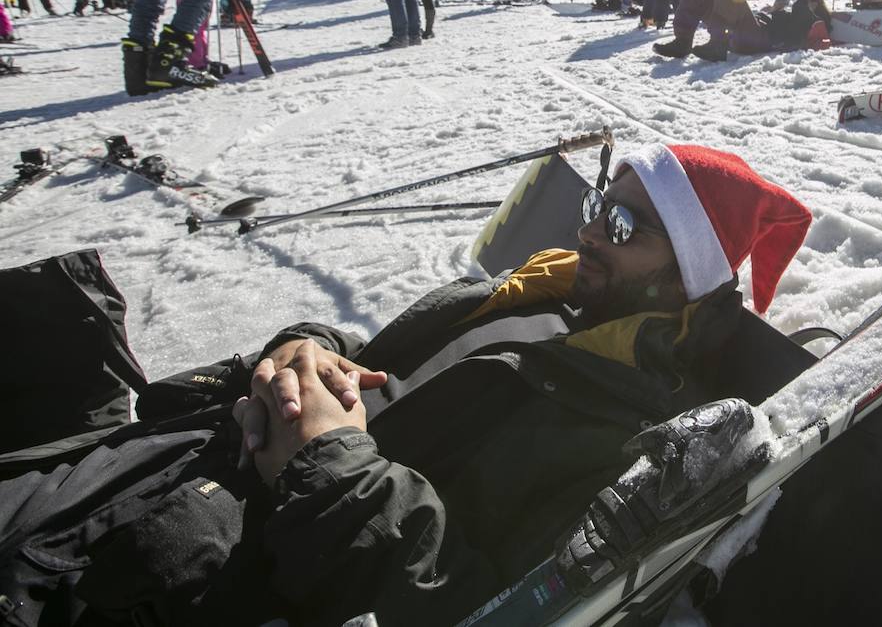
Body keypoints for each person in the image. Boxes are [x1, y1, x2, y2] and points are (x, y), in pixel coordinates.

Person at [0, 142, 812, 627]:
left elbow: (473, 600)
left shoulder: (622, 431)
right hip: (191, 460)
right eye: (603, 203)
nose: (591, 229)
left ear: (687, 281)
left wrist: (328, 459)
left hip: (225, 556)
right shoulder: (539, 293)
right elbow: (382, 358)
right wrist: (311, 348)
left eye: (627, 226)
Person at [653, 0, 832, 61]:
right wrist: (774, 9)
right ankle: (682, 42)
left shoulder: (812, 20)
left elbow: (800, 8)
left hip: (759, 39)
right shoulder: (794, 16)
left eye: (809, 0)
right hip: (744, 32)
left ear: (814, 4)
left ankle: (717, 44)